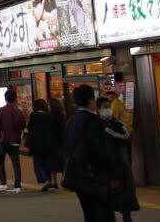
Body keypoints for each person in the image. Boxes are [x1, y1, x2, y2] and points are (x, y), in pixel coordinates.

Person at [64, 84, 115, 221]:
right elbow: (102, 150)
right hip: (96, 176)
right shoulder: (95, 121)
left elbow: (68, 148)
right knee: (104, 214)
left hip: (78, 176)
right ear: (92, 100)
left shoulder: (71, 121)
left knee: (89, 213)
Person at [97, 96, 139, 221]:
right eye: (105, 107)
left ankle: (127, 218)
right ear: (98, 109)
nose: (108, 110)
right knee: (110, 196)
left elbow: (126, 139)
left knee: (124, 195)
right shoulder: (97, 124)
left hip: (119, 165)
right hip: (108, 166)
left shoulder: (115, 123)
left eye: (108, 107)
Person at [0, 88, 26, 193]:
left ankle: (3, 184)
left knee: (0, 160)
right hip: (15, 140)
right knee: (16, 162)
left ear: (5, 99)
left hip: (3, 139)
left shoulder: (0, 111)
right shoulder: (19, 112)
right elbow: (23, 125)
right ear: (15, 99)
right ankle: (17, 186)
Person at [26, 98, 54, 190]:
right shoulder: (49, 116)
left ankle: (44, 180)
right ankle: (48, 180)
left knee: (38, 163)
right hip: (48, 143)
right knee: (47, 163)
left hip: (36, 143)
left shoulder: (33, 115)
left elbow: (29, 128)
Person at [48, 97, 67, 189]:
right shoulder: (62, 117)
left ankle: (54, 182)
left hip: (52, 142)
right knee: (62, 162)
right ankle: (63, 180)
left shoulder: (50, 117)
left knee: (53, 163)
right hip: (61, 142)